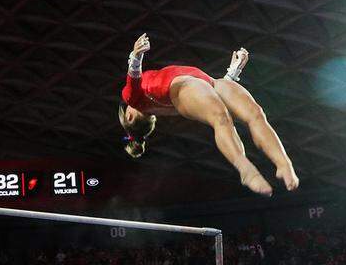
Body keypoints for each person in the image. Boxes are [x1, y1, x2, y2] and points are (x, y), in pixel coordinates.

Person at [117, 33, 299, 196]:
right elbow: (132, 83)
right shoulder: (133, 99)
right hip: (186, 85)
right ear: (130, 117)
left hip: (208, 83)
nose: (127, 106)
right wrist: (135, 57)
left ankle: (283, 163)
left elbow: (204, 99)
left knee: (255, 113)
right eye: (127, 110)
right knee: (221, 118)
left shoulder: (158, 104)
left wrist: (232, 73)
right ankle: (247, 170)